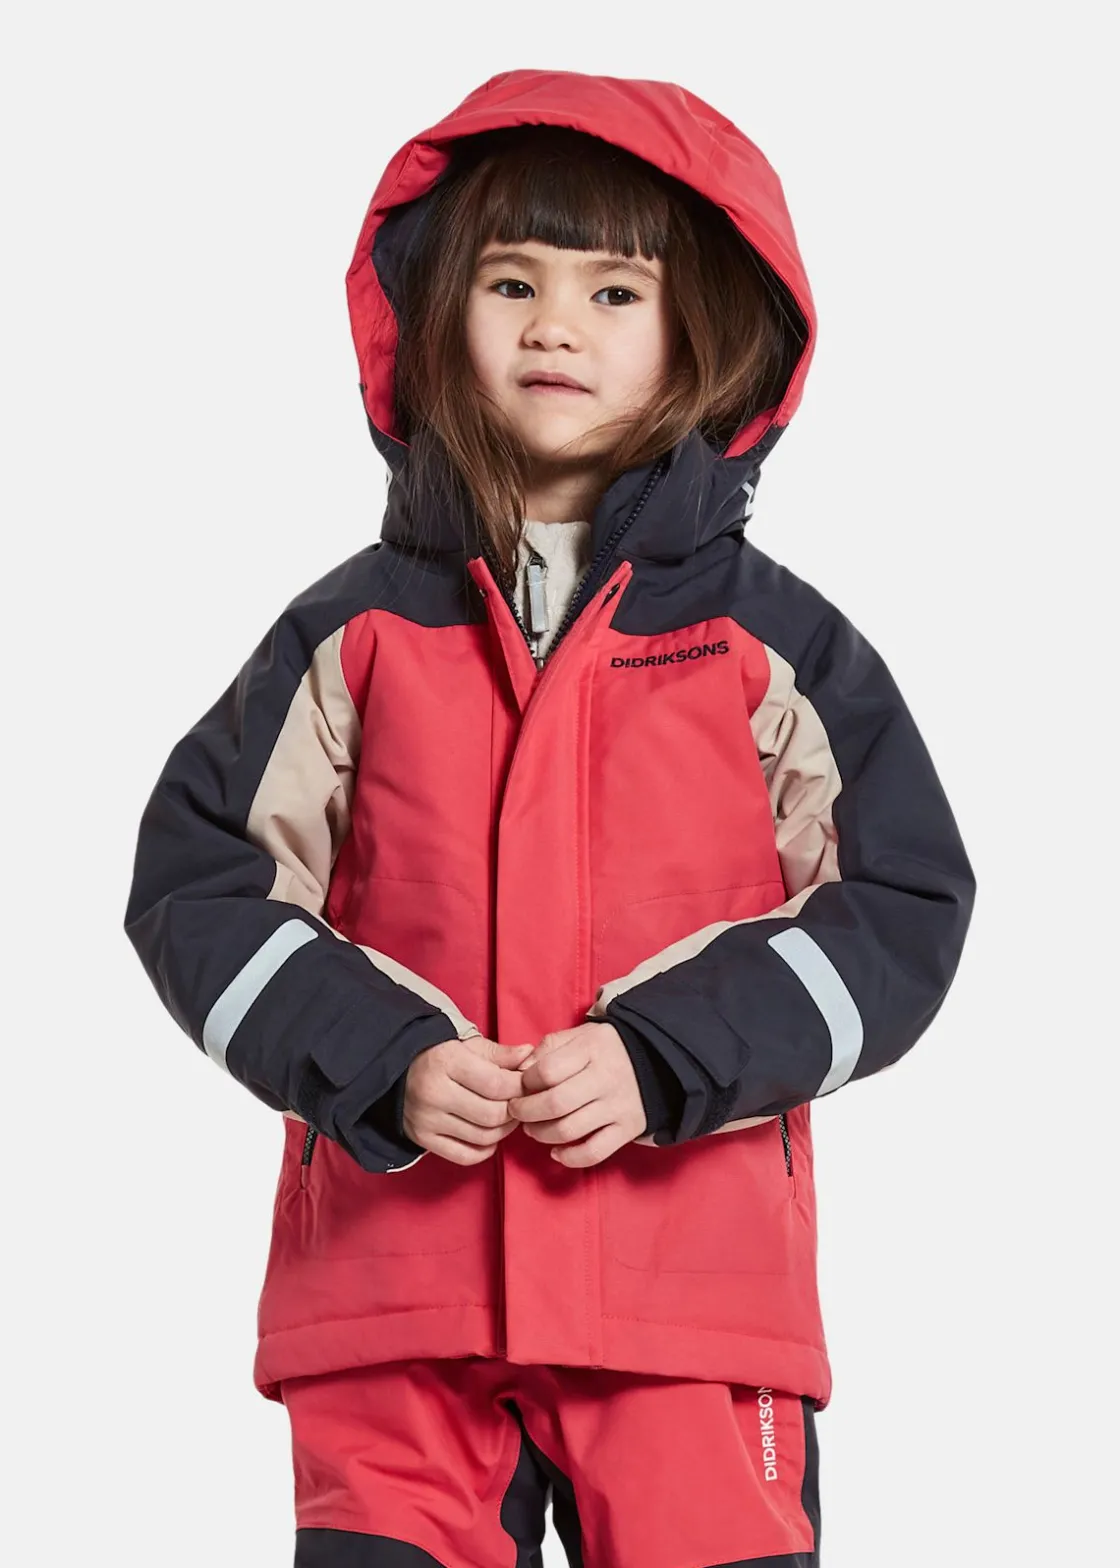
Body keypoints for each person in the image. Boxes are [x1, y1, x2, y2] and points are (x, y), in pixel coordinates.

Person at [122, 69, 976, 1568]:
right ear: (437, 311)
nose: (553, 327)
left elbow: (900, 906)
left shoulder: (775, 649)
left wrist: (667, 1056)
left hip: (687, 1305)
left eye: (613, 291)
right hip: (396, 1307)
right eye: (511, 281)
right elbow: (199, 884)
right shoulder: (352, 637)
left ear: (704, 332)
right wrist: (378, 1062)